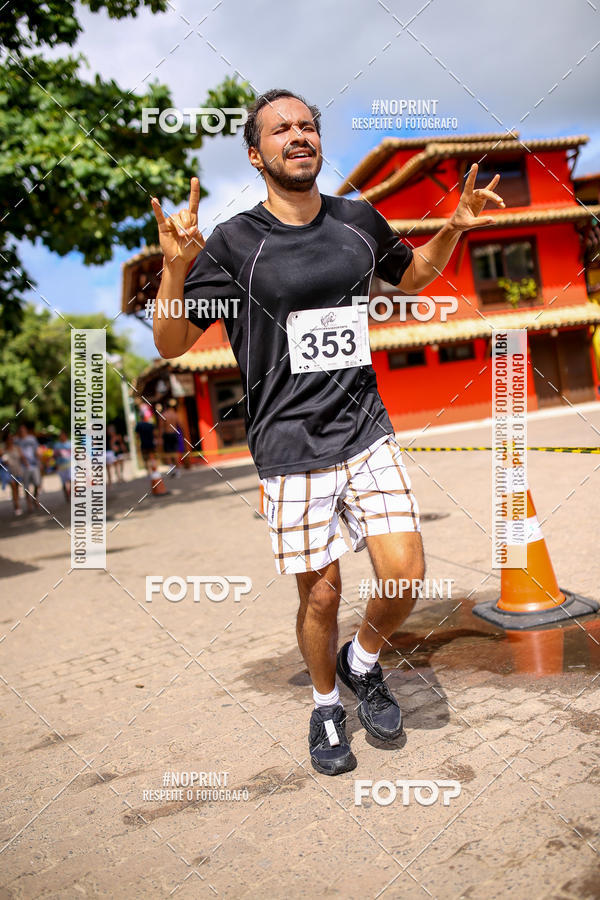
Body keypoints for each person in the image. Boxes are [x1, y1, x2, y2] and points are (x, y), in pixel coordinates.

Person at [151, 89, 505, 775]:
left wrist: (454, 226)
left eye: (307, 125)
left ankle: (362, 661)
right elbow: (169, 341)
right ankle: (324, 706)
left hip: (365, 429)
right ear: (257, 155)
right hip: (288, 449)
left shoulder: (356, 221)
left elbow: (412, 275)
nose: (298, 135)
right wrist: (173, 265)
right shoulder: (234, 244)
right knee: (322, 594)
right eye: (280, 130)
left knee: (405, 574)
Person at [15, 423, 42, 511]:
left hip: (33, 464)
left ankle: (35, 498)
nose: (22, 431)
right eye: (20, 430)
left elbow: (36, 450)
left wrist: (40, 461)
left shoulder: (32, 439)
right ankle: (29, 503)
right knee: (26, 486)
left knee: (37, 483)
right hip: (23, 466)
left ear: (26, 430)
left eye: (23, 430)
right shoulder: (16, 441)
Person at [1, 433, 26, 516]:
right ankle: (17, 506)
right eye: (8, 439)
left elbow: (22, 458)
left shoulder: (17, 448)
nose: (10, 440)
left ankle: (16, 502)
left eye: (11, 439)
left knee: (17, 488)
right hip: (8, 472)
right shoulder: (2, 450)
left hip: (18, 471)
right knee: (13, 486)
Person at [160, 398, 182, 476]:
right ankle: (178, 471)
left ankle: (172, 469)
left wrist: (160, 438)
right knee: (175, 453)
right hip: (174, 434)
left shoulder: (164, 415)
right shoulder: (175, 415)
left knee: (168, 453)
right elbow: (180, 425)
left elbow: (161, 427)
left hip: (167, 435)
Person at [53, 430, 71, 502]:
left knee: (70, 479)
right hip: (61, 465)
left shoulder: (70, 443)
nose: (61, 437)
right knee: (63, 482)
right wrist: (56, 464)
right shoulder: (57, 445)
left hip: (70, 464)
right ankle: (66, 494)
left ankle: (69, 492)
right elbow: (55, 456)